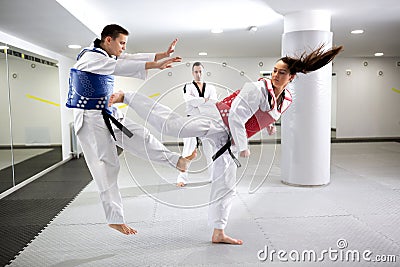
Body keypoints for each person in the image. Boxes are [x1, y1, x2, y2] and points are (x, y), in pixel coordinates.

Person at [109, 44, 343, 244]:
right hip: (216, 120)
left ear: (291, 77)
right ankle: (127, 97)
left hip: (227, 137)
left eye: (281, 73)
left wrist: (268, 125)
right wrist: (242, 146)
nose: (275, 75)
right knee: (172, 126)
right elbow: (236, 117)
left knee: (226, 184)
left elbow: (268, 113)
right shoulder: (257, 88)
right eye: (274, 70)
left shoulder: (286, 99)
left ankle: (218, 232)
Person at [66, 24, 188, 235]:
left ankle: (176, 161)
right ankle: (115, 218)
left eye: (125, 44)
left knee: (140, 135)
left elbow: (129, 59)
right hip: (91, 119)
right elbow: (120, 67)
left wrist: (161, 55)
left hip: (108, 112)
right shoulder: (92, 58)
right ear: (108, 40)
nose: (123, 48)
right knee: (107, 166)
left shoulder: (103, 54)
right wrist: (155, 65)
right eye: (121, 43)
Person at [176, 62, 218, 187]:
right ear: (192, 73)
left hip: (206, 121)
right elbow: (190, 101)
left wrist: (199, 102)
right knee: (188, 149)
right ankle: (182, 178)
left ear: (203, 72)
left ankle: (213, 176)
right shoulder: (187, 86)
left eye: (200, 71)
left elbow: (214, 103)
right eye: (196, 72)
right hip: (191, 121)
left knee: (210, 150)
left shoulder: (211, 88)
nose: (198, 74)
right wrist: (205, 100)